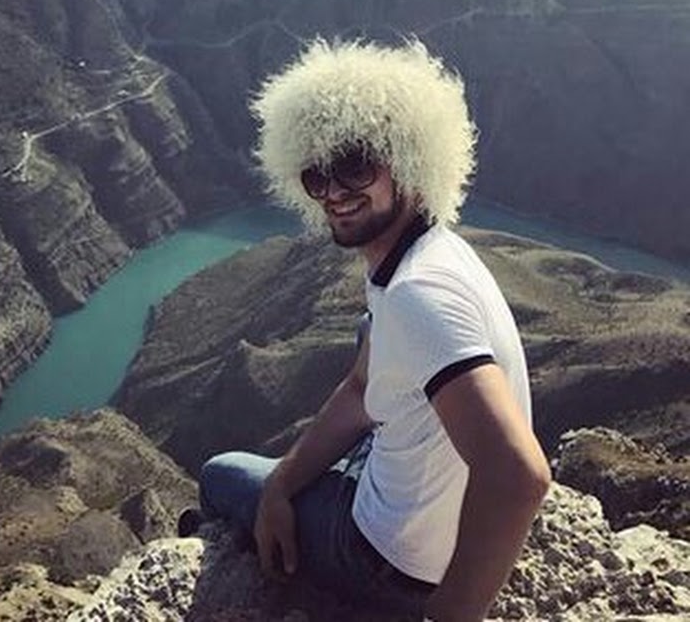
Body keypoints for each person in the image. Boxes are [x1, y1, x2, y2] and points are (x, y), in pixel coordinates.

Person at [197, 39, 550, 622]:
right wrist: (282, 485)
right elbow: (362, 389)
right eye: (316, 175)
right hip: (412, 518)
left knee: (220, 476)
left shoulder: (417, 296)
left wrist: (449, 615)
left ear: (407, 159)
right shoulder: (428, 254)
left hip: (385, 560)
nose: (334, 192)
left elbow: (518, 475)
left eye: (356, 165)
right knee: (346, 384)